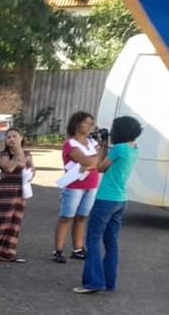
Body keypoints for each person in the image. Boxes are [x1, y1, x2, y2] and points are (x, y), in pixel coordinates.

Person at [76, 116, 142, 294]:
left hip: (106, 198)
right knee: (111, 242)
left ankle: (94, 282)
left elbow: (99, 167)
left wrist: (103, 145)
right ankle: (109, 281)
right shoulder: (134, 148)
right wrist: (105, 143)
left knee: (93, 238)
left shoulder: (118, 148)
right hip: (121, 199)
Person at [53, 110, 102, 264]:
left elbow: (98, 160)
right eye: (86, 123)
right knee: (67, 216)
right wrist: (95, 159)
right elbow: (87, 161)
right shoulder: (70, 143)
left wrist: (93, 160)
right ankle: (58, 250)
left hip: (91, 183)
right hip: (74, 184)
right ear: (76, 123)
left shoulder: (93, 142)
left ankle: (78, 249)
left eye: (90, 124)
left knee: (81, 217)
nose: (89, 126)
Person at [0, 128, 33, 264]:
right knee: (1, 221)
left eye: (14, 136)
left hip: (20, 191)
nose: (11, 139)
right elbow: (8, 168)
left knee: (14, 222)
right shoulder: (4, 153)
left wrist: (31, 173)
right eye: (8, 137)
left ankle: (8, 251)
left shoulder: (27, 154)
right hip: (6, 191)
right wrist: (16, 155)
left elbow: (31, 168)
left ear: (21, 137)